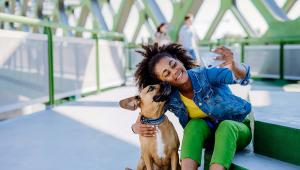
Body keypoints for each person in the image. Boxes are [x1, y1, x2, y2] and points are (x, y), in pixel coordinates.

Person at [131, 43, 252, 170]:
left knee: (226, 125)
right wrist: (135, 127)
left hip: (237, 130)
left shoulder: (204, 75)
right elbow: (149, 111)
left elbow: (241, 77)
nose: (174, 71)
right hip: (209, 138)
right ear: (163, 82)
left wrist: (234, 66)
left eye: (173, 64)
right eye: (166, 74)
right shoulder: (171, 97)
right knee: (194, 125)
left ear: (179, 60)